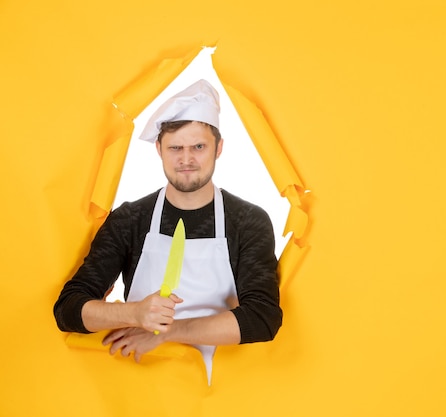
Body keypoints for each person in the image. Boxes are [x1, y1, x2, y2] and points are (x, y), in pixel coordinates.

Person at [54, 79, 282, 383]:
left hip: (216, 391)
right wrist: (134, 314)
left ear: (219, 148)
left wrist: (168, 333)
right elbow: (68, 309)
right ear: (159, 149)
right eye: (175, 147)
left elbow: (262, 318)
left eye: (198, 147)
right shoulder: (130, 219)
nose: (186, 159)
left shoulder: (248, 221)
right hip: (137, 383)